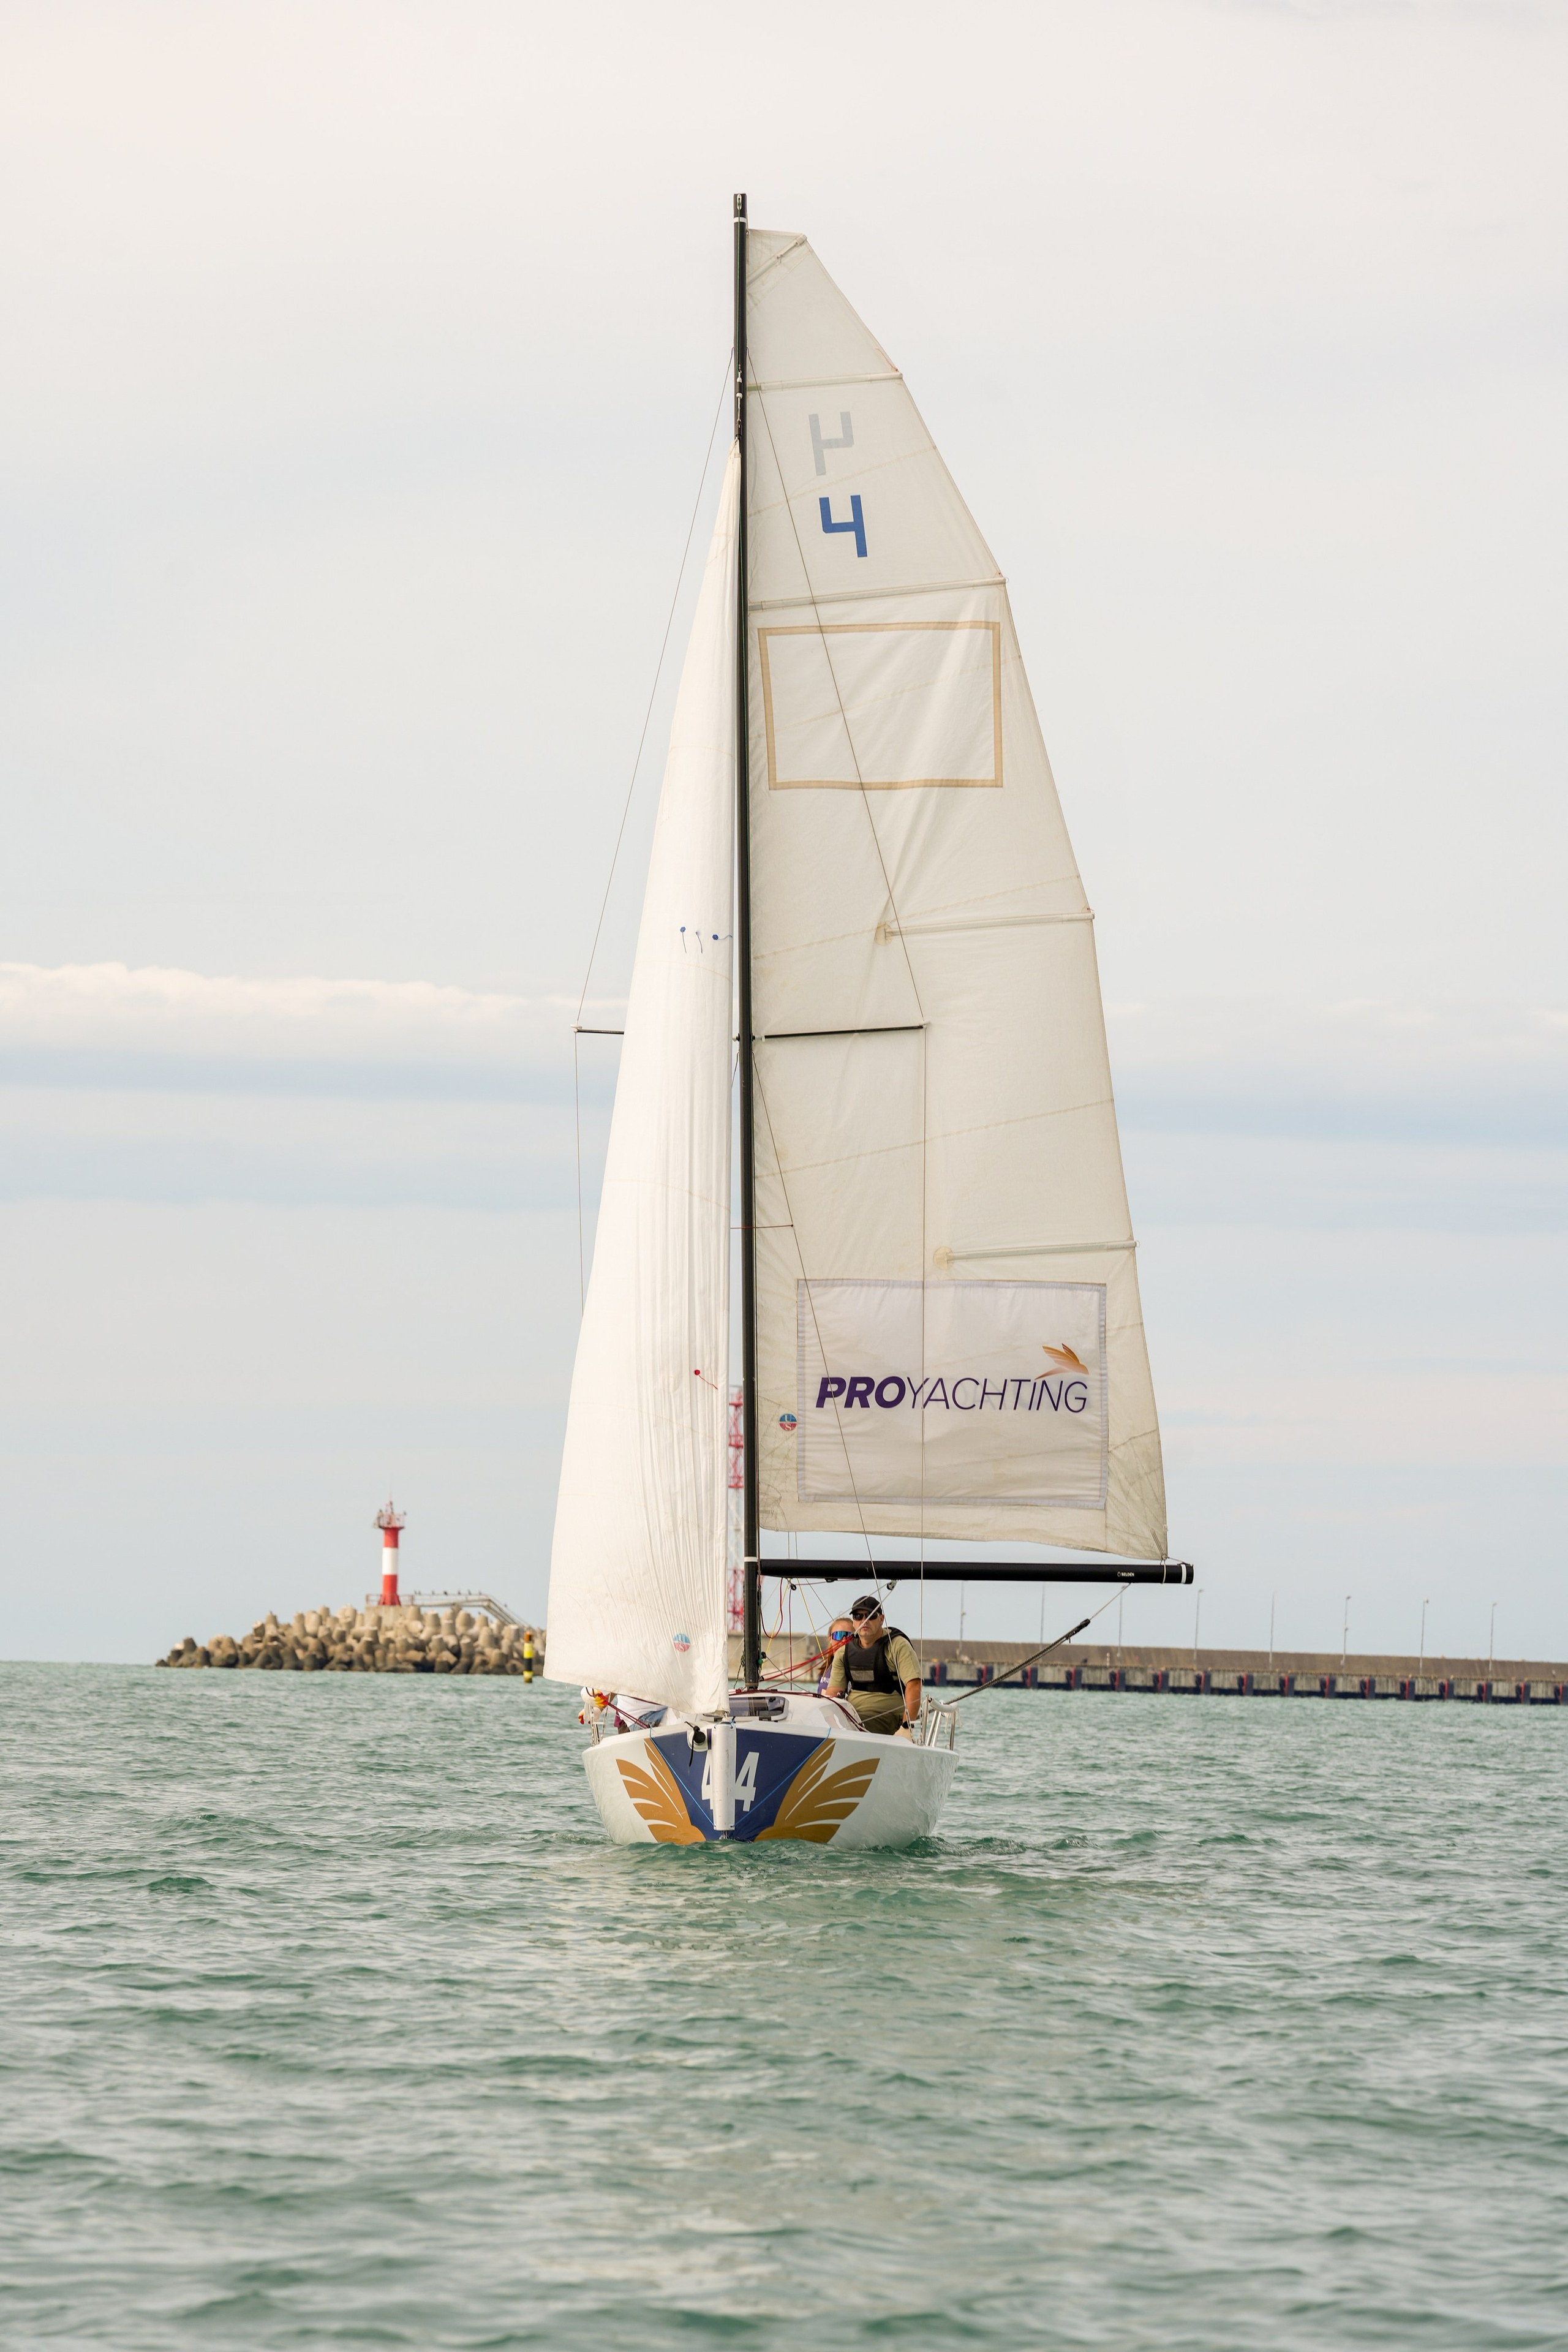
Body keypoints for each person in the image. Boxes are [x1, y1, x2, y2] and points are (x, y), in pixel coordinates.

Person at [824, 1596, 923, 1736]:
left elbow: (914, 1685)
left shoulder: (897, 1646)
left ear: (881, 1619)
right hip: (853, 1718)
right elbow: (833, 1693)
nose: (864, 1620)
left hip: (889, 1719)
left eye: (871, 1616)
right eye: (858, 1616)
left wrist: (907, 1727)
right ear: (854, 1623)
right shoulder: (843, 1653)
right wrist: (832, 1727)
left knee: (857, 1727)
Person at [815, 1616, 854, 1695]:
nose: (844, 1640)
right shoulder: (826, 1668)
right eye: (839, 1635)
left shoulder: (855, 1670)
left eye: (849, 1636)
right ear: (830, 1638)